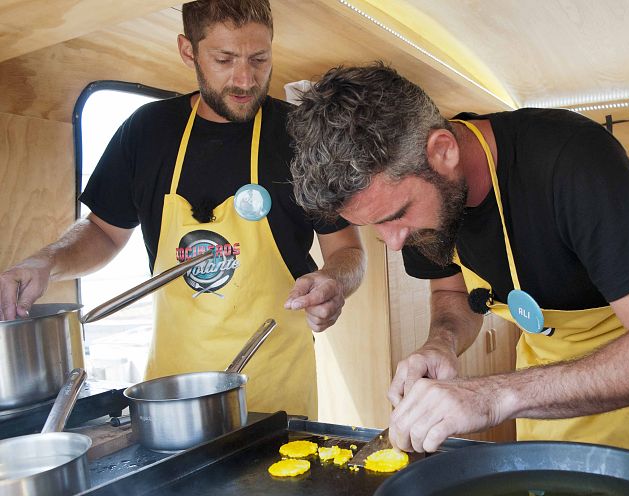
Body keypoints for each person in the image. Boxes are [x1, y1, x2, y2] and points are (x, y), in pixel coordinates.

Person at [288, 63, 629, 456]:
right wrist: (443, 343)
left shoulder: (570, 161)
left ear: (442, 151)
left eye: (397, 216)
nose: (394, 242)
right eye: (375, 227)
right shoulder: (420, 200)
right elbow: (452, 291)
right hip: (537, 400)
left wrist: (494, 395)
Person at [0, 0, 365, 418]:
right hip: (172, 392)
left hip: (275, 386)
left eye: (259, 59)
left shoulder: (300, 136)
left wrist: (334, 281)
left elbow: (347, 252)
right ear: (188, 51)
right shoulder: (147, 131)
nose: (245, 78)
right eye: (224, 59)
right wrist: (46, 262)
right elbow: (104, 231)